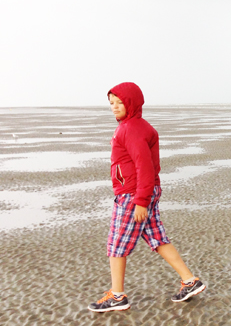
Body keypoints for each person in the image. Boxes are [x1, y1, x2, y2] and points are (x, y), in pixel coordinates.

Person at [88, 82, 206, 312]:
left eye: (120, 102)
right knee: (157, 238)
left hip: (134, 195)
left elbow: (144, 166)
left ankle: (118, 296)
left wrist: (140, 201)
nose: (114, 107)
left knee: (116, 244)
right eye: (111, 103)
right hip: (144, 191)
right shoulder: (138, 126)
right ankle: (190, 281)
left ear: (132, 102)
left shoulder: (130, 129)